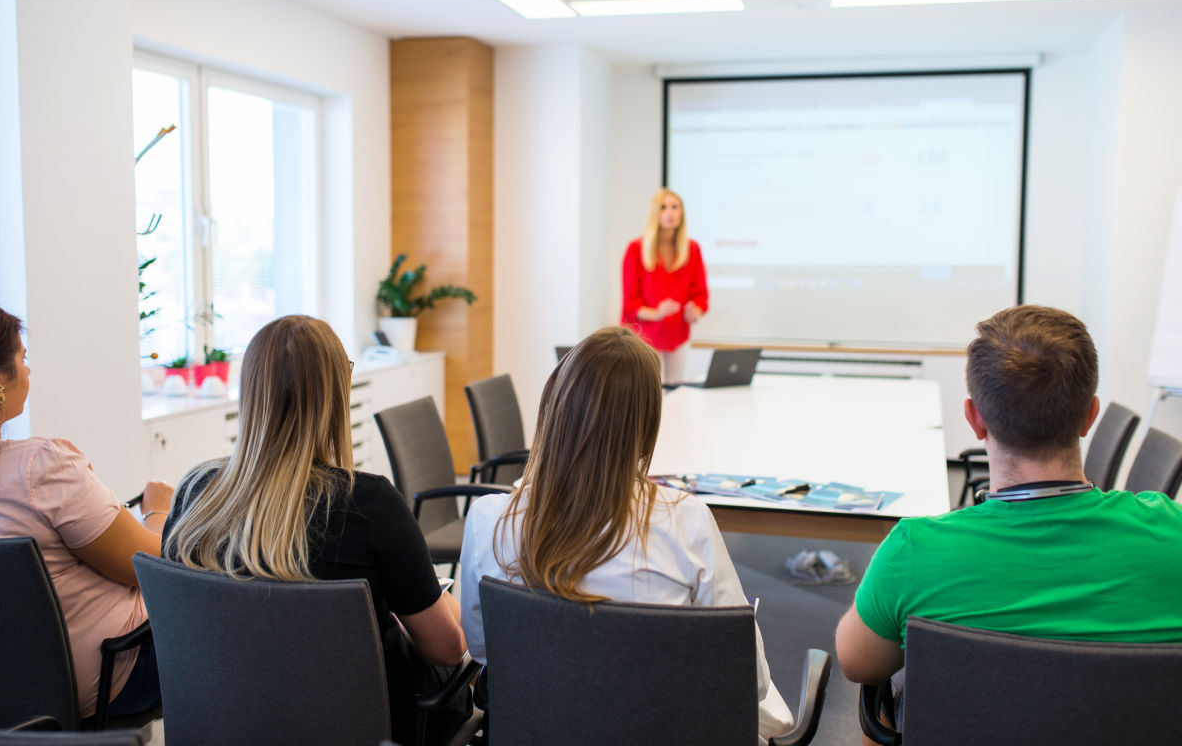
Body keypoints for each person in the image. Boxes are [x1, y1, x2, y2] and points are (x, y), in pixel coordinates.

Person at [835, 305, 1182, 737]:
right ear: (1090, 416)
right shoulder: (1173, 532)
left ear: (974, 418)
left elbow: (858, 663)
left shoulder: (914, 551)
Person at [459, 325, 792, 745]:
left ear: (556, 406)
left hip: (539, 730)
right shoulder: (686, 523)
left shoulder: (490, 518)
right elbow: (748, 681)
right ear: (648, 423)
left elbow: (484, 649)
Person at [162, 315, 469, 745]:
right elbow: (447, 650)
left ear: (250, 391)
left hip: (230, 723)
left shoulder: (194, 496)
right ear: (335, 395)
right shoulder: (371, 505)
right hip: (362, 727)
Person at [0, 299, 171, 720]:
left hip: (5, 693)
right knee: (239, 631)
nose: (28, 370)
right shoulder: (42, 467)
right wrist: (158, 511)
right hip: (107, 678)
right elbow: (150, 567)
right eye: (23, 359)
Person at [621, 188, 709, 384]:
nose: (670, 212)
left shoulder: (692, 249)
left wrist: (696, 310)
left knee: (676, 390)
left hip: (678, 334)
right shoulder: (635, 250)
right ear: (655, 213)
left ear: (681, 213)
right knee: (649, 392)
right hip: (645, 336)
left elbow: (701, 295)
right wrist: (656, 313)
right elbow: (630, 303)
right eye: (663, 207)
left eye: (675, 207)